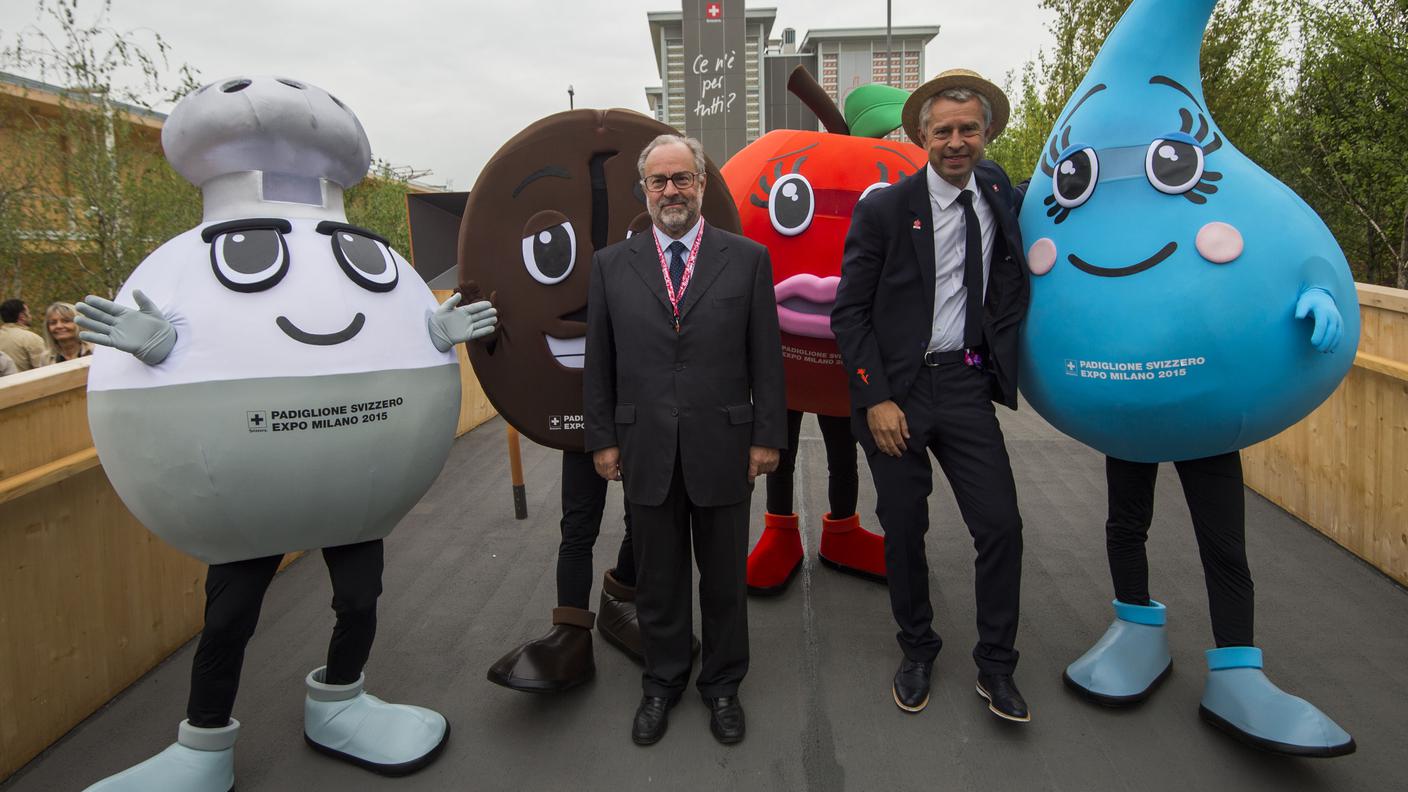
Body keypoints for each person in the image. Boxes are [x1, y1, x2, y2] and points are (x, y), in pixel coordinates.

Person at [831, 69, 1032, 722]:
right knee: (905, 530)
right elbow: (848, 314)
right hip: (899, 393)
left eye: (967, 129)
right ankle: (917, 647)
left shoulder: (998, 189)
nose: (955, 142)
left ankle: (996, 666)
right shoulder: (884, 209)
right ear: (921, 136)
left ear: (986, 133)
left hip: (968, 384)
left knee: (1001, 526)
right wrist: (876, 399)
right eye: (942, 130)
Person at [584, 133, 786, 746]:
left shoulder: (746, 260)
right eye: (659, 181)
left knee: (724, 579)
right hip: (643, 446)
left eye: (682, 179)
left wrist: (766, 438)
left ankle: (722, 685)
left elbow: (766, 361)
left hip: (724, 446)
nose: (671, 191)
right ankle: (661, 682)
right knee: (660, 579)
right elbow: (601, 361)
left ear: (701, 184)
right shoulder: (611, 266)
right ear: (644, 190)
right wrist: (603, 440)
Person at [0, 299, 50, 371]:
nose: (30, 316)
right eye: (29, 313)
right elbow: (45, 369)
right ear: (22, 316)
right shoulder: (31, 338)